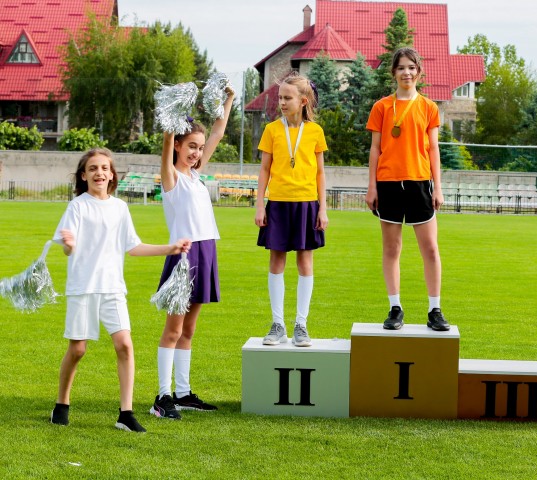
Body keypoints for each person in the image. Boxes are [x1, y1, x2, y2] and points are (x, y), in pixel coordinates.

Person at [50, 148, 191, 433]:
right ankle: (61, 404)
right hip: (83, 288)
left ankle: (125, 414)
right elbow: (68, 248)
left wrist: (170, 247)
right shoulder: (77, 206)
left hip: (113, 288)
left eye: (104, 168)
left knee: (125, 345)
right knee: (78, 350)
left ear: (112, 174)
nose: (99, 173)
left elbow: (133, 247)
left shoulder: (120, 207)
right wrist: (68, 243)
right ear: (83, 175)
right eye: (92, 169)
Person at [152, 85, 235, 420]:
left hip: (207, 251)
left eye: (199, 149)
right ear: (177, 146)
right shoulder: (171, 178)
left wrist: (228, 100)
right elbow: (168, 141)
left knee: (189, 330)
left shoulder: (197, 175)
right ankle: (162, 396)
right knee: (173, 330)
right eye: (191, 147)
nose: (197, 153)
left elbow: (217, 129)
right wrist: (174, 113)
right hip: (183, 257)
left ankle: (183, 393)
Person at [365, 47, 449, 332]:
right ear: (394, 73)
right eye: (401, 68)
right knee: (392, 248)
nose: (406, 73)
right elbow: (375, 149)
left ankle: (434, 309)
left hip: (419, 183)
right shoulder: (382, 107)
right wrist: (371, 187)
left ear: (419, 72)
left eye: (412, 68)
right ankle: (395, 307)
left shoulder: (429, 107)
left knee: (431, 249)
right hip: (388, 184)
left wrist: (438, 188)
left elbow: (434, 149)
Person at [255, 73, 328, 348]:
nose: (282, 102)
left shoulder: (315, 132)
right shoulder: (273, 129)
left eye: (287, 98)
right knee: (276, 263)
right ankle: (277, 324)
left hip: (307, 204)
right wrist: (260, 203)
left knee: (305, 263)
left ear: (303, 101)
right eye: (280, 98)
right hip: (278, 204)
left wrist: (323, 209)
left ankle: (301, 324)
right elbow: (264, 169)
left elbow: (321, 172)